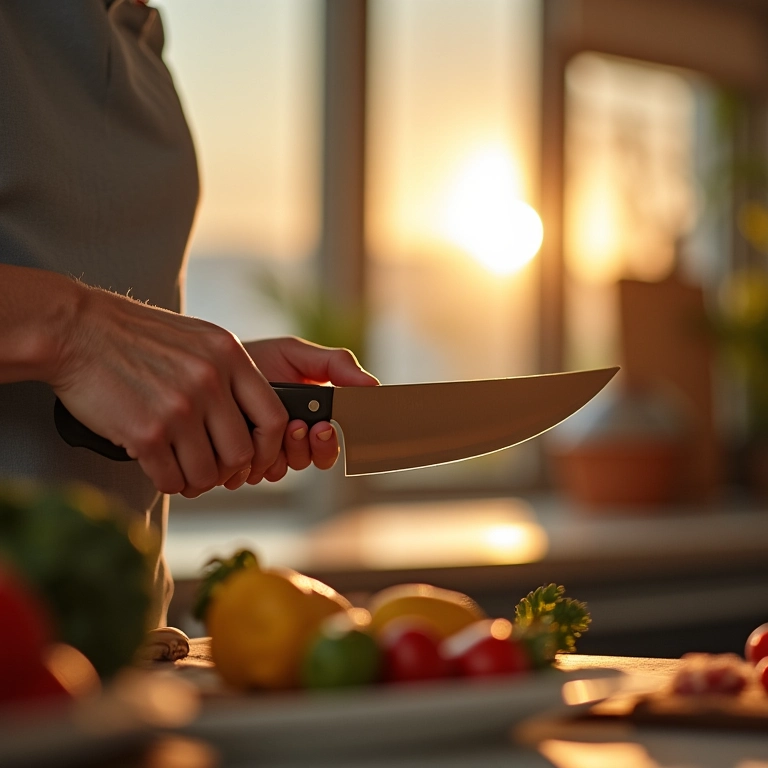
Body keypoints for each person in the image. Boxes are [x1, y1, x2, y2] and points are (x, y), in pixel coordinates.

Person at [0, 1, 378, 626]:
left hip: (116, 642)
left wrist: (207, 383)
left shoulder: (135, 37)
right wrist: (73, 331)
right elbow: (81, 331)